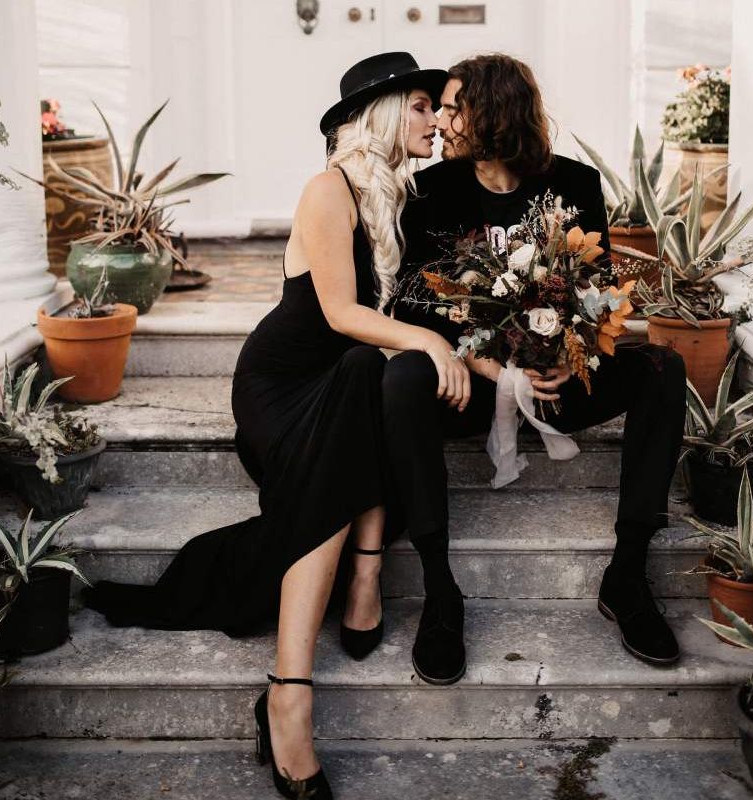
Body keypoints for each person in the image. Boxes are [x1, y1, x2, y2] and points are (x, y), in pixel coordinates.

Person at [84, 52, 471, 800]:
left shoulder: (401, 198)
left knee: (374, 376)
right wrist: (432, 343)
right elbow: (339, 315)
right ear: (387, 114)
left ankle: (358, 579)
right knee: (372, 369)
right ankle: (291, 691)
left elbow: (406, 320)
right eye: (424, 106)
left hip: (344, 384)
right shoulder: (328, 190)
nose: (437, 122)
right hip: (281, 389)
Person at [390, 53, 686, 669]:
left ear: (493, 112)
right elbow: (413, 303)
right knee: (400, 377)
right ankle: (441, 591)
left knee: (663, 367)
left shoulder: (574, 184)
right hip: (472, 386)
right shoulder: (428, 193)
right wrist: (494, 369)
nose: (441, 121)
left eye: (452, 107)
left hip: (558, 382)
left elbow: (600, 292)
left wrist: (567, 353)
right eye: (440, 108)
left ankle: (626, 576)